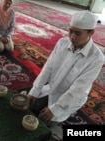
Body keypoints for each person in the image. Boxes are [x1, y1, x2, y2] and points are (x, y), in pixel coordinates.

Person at [27, 10, 104, 140]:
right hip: (52, 88)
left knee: (45, 122)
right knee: (28, 105)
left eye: (78, 33)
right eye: (70, 31)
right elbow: (48, 68)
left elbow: (78, 89)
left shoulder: (96, 58)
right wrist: (34, 91)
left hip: (72, 99)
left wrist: (55, 110)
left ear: (91, 33)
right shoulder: (62, 43)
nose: (72, 36)